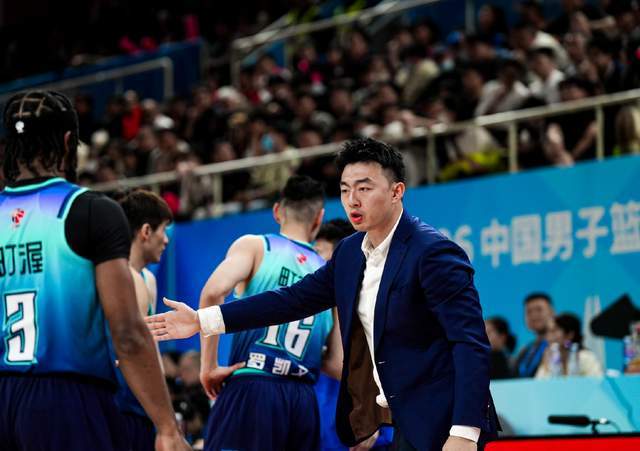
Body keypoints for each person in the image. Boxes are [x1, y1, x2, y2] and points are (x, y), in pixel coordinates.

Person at [147, 137, 499, 450]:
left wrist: (464, 432)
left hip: (445, 420)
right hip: (401, 416)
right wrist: (202, 320)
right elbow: (291, 300)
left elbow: (470, 343)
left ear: (396, 192)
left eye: (364, 188)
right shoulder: (349, 253)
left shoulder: (433, 252)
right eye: (345, 190)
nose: (352, 200)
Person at [0, 90, 189, 450]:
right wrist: (167, 426)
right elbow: (128, 333)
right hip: (67, 398)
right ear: (68, 142)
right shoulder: (90, 210)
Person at [196, 175, 341, 451]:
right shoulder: (328, 274)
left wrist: (209, 367)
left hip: (254, 385)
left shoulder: (256, 246)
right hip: (302, 400)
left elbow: (213, 293)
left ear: (276, 211)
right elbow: (336, 363)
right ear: (318, 218)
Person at [115, 189, 173, 450]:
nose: (167, 240)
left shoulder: (147, 279)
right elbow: (132, 354)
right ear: (146, 231)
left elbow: (153, 350)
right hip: (122, 401)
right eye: (164, 230)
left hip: (142, 402)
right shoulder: (124, 277)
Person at [535, 313, 603, 378]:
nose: (548, 337)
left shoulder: (586, 357)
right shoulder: (549, 357)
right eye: (547, 332)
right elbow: (540, 383)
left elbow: (596, 383)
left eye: (554, 331)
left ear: (570, 334)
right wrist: (546, 366)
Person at [514, 293, 555, 378]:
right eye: (528, 312)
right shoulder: (525, 351)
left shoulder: (564, 346)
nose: (534, 315)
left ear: (552, 312)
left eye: (539, 310)